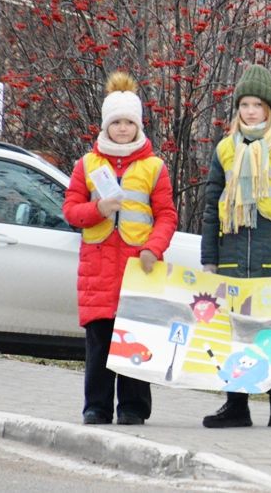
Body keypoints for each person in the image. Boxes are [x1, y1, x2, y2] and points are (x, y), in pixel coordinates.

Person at [200, 64, 271, 428]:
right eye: (244, 104)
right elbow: (211, 205)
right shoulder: (225, 150)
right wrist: (210, 259)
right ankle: (236, 405)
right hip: (235, 262)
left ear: (269, 108)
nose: (250, 111)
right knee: (235, 333)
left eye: (257, 104)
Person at [62, 71, 178, 426]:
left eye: (129, 122)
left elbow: (167, 216)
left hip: (137, 269)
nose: (123, 129)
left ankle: (133, 407)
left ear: (138, 125)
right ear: (106, 125)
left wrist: (153, 249)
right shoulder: (88, 164)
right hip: (97, 269)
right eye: (117, 123)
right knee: (99, 343)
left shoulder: (154, 167)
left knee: (136, 342)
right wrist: (98, 209)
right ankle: (95, 407)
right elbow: (70, 210)